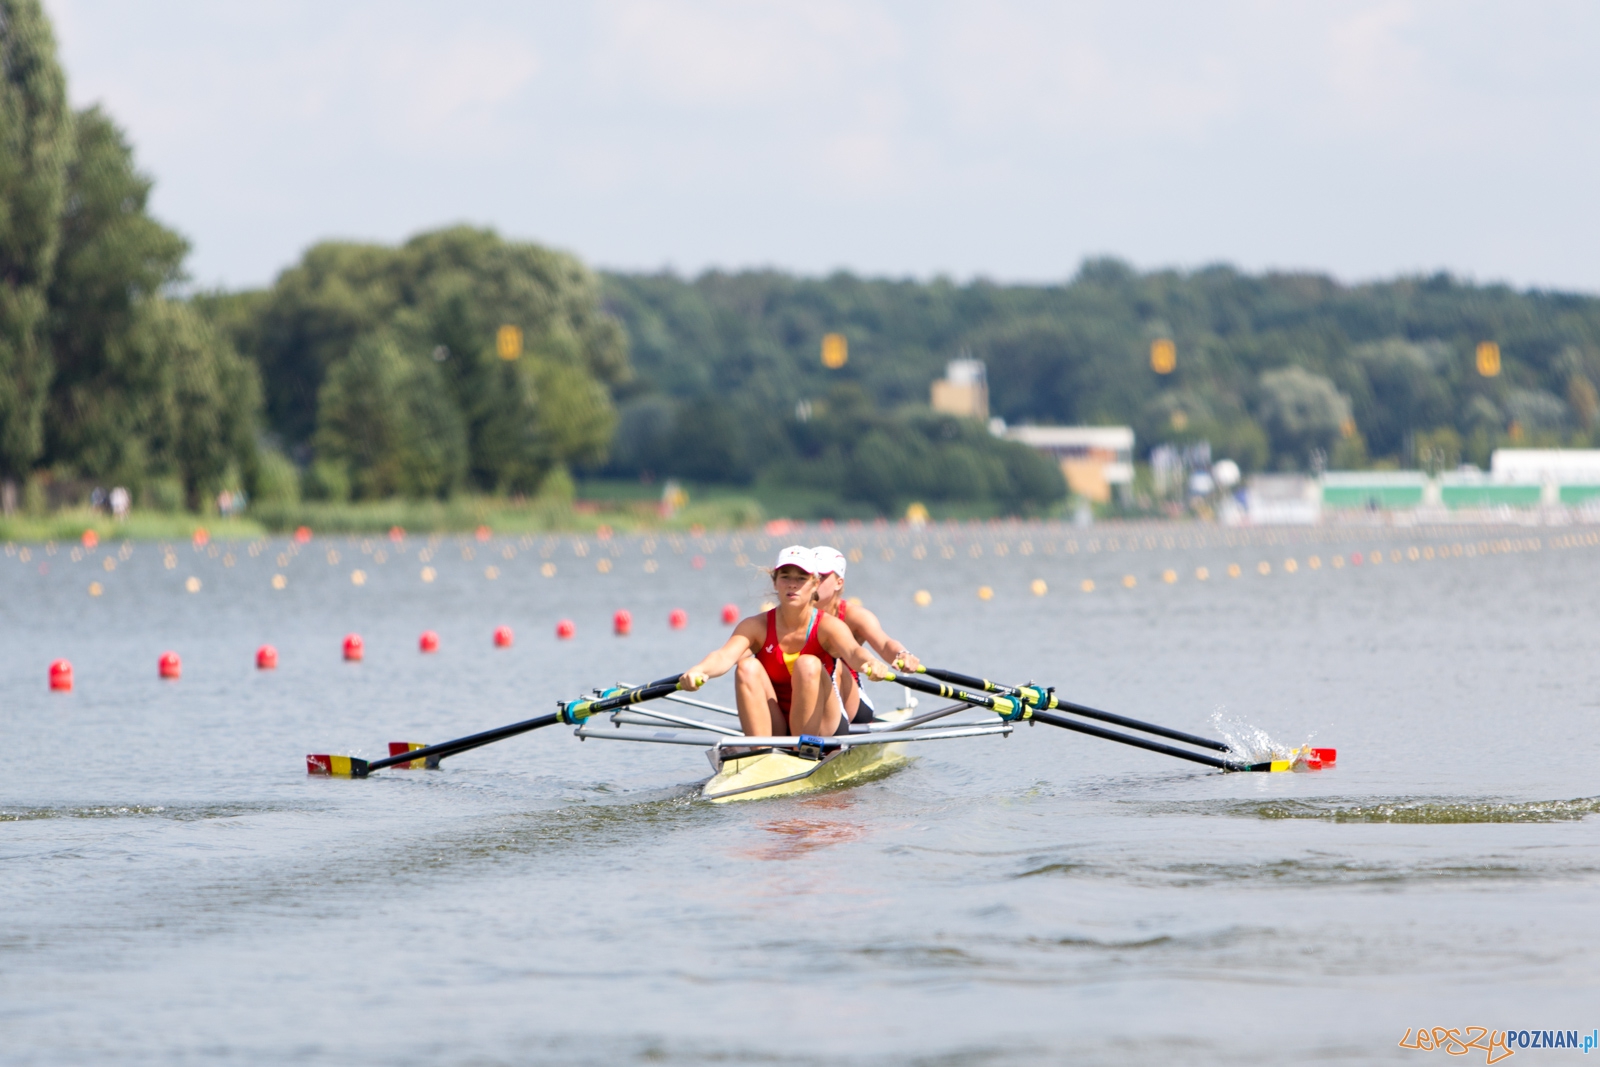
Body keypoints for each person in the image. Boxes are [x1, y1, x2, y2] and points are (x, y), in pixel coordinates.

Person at [679, 546, 892, 739]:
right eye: (785, 576)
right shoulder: (756, 626)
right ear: (775, 581)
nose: (792, 584)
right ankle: (760, 752)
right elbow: (724, 656)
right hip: (777, 722)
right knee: (746, 667)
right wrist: (699, 670)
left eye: (801, 578)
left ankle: (806, 749)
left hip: (823, 725)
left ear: (815, 584)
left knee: (806, 663)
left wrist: (871, 663)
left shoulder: (828, 626)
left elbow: (854, 652)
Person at [810, 546, 921, 722]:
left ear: (839, 582)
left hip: (851, 705)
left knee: (832, 667)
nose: (813, 583)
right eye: (808, 576)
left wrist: (902, 655)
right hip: (804, 701)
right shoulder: (787, 616)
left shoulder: (855, 616)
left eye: (821, 577)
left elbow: (884, 644)